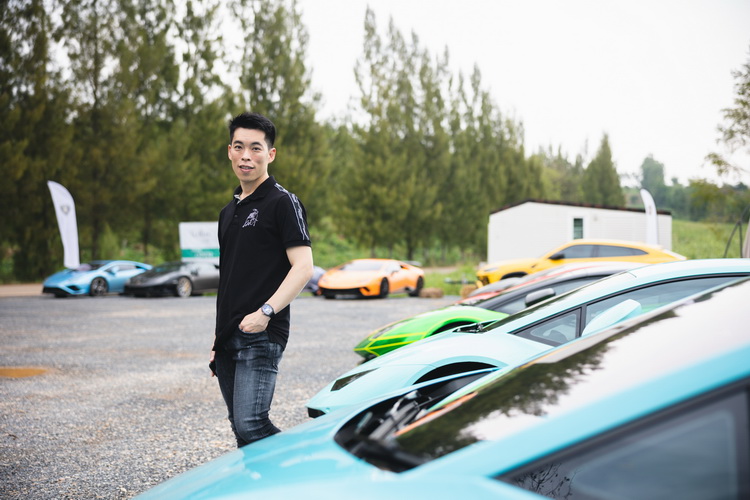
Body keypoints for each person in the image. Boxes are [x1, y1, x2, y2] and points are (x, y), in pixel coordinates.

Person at [210, 111, 314, 447]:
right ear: (230, 151)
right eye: (239, 147)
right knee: (241, 430)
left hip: (262, 332)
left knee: (252, 424)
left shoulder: (283, 202)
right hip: (229, 336)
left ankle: (308, 466)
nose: (246, 156)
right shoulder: (228, 212)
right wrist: (217, 339)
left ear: (270, 154)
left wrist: (265, 313)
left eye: (255, 148)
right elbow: (230, 280)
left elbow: (303, 267)